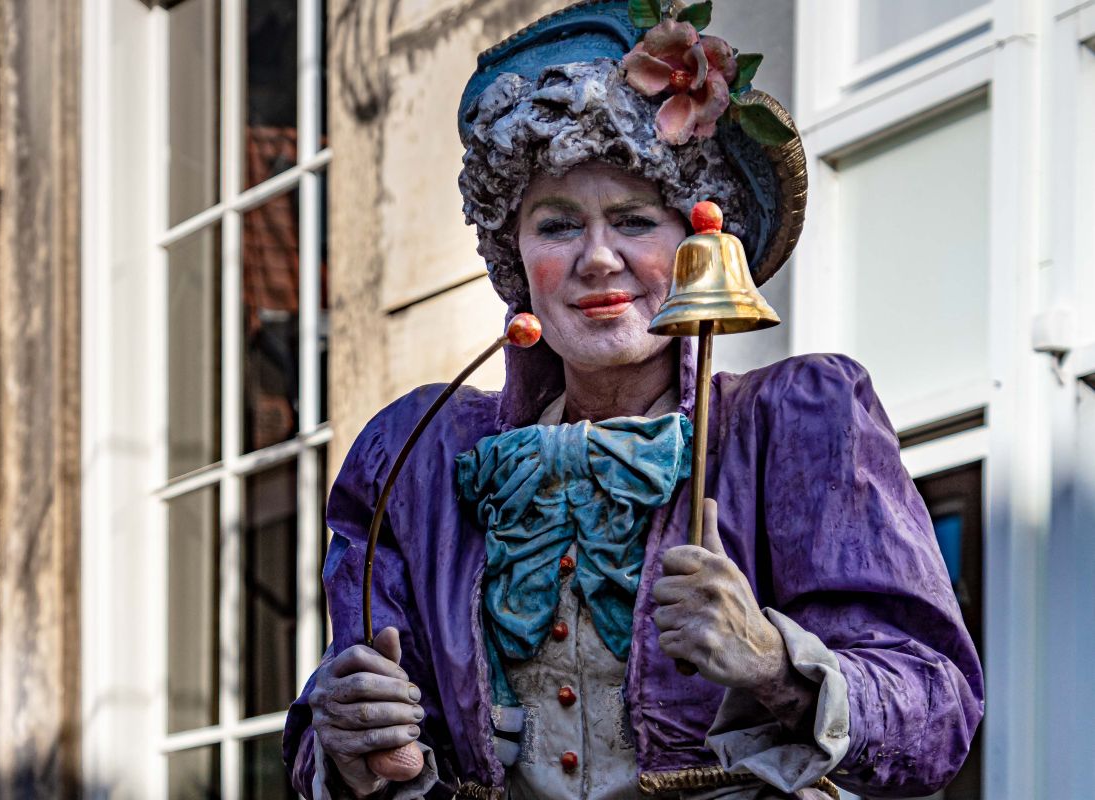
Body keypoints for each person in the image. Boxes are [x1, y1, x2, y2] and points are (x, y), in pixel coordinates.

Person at [282, 1, 984, 798]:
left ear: (694, 244)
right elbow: (344, 724)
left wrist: (774, 665)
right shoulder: (418, 457)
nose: (596, 259)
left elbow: (937, 713)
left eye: (633, 220)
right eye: (555, 225)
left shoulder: (796, 422)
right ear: (512, 255)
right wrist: (359, 750)